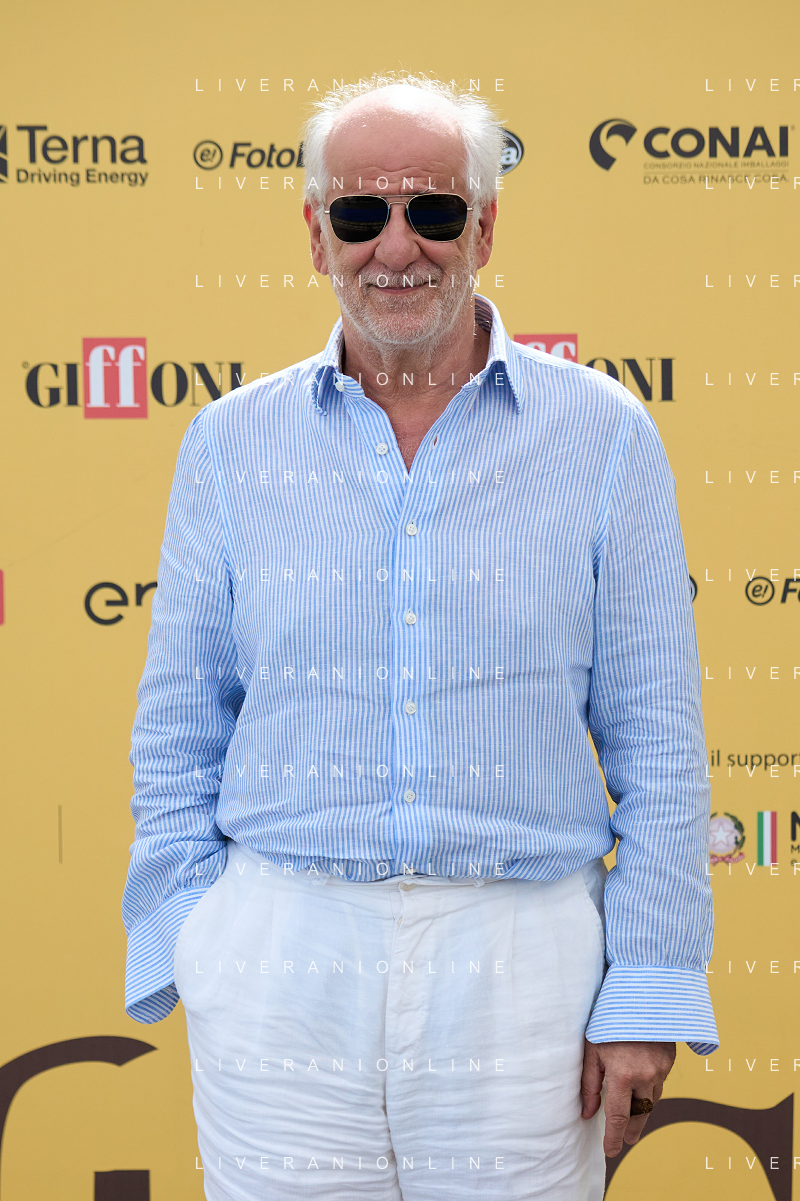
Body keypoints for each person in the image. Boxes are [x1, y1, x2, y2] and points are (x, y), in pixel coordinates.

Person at [121, 73, 718, 1200]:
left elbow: (658, 740)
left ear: (483, 228)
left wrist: (646, 985)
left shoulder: (604, 437)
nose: (396, 246)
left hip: (526, 971)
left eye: (432, 211)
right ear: (316, 236)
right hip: (278, 961)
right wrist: (196, 937)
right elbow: (180, 725)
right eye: (361, 213)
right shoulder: (229, 444)